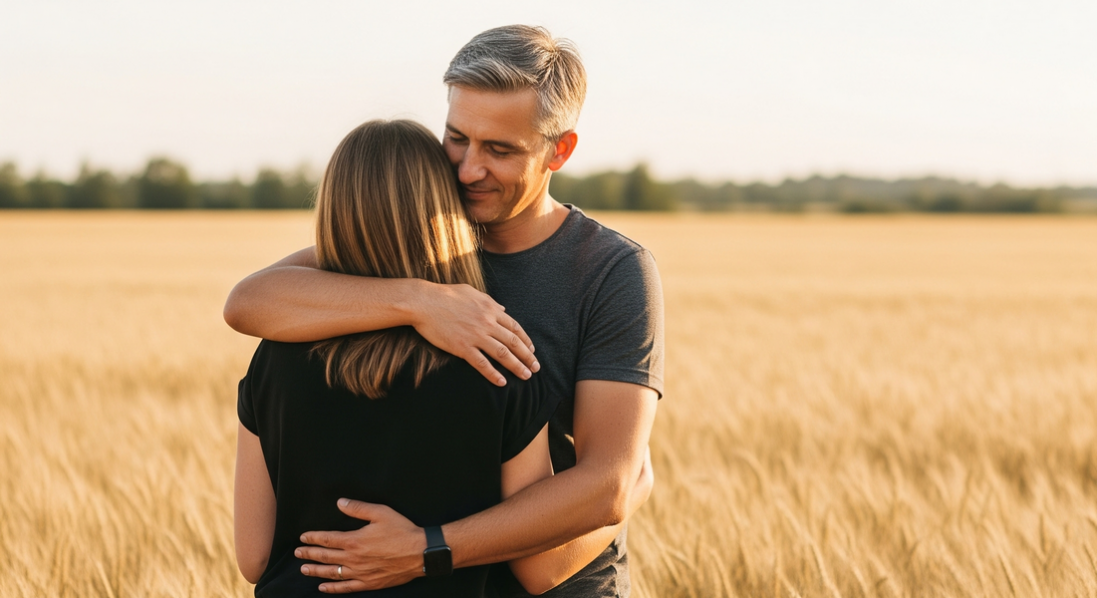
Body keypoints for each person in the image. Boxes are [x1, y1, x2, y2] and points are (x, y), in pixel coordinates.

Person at [224, 25, 664, 597]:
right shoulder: (417, 233)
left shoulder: (611, 270)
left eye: (500, 150)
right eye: (457, 138)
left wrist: (428, 549)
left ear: (560, 149)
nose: (466, 170)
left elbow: (605, 483)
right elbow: (250, 301)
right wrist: (420, 300)